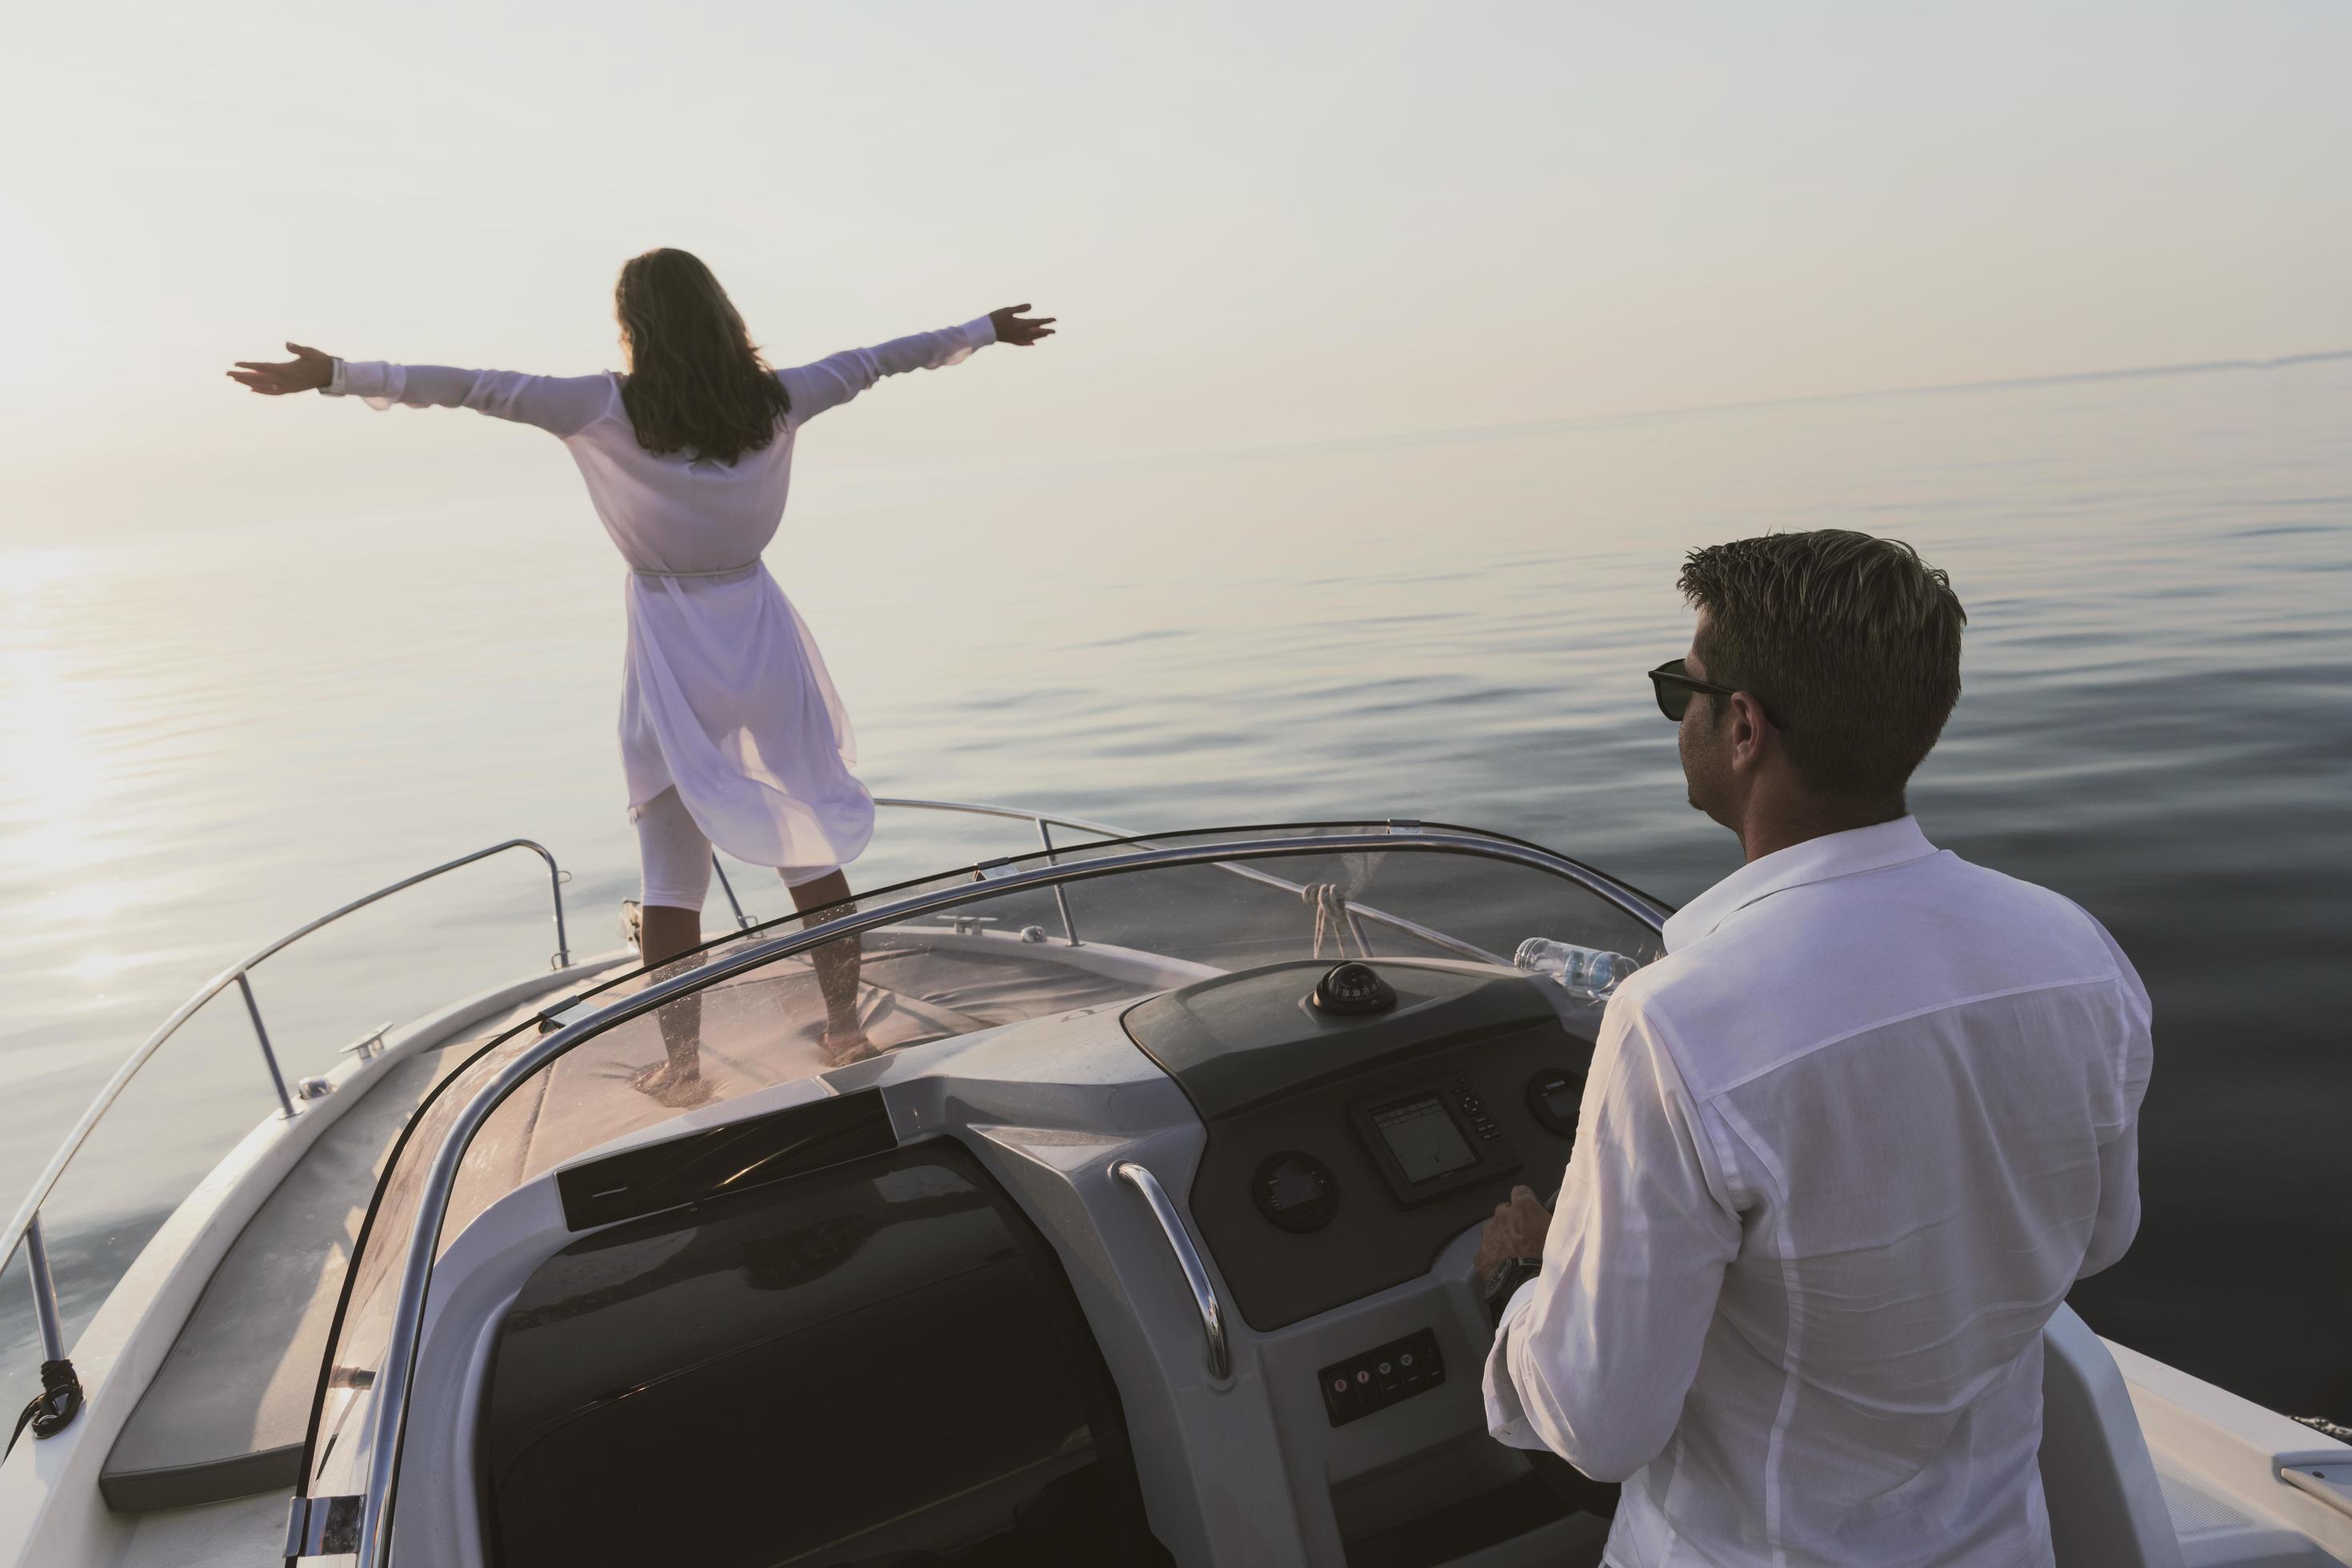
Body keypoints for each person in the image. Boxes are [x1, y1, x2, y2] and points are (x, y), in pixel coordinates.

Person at [229, 249, 1054, 1098]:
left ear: (635, 326)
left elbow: (474, 385)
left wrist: (335, 373)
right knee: (805, 842)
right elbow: (882, 358)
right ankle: (845, 1026)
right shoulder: (779, 398)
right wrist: (986, 329)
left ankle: (686, 1065)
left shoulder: (602, 404)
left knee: (670, 872)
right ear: (721, 314)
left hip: (670, 648)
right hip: (763, 638)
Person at [1476, 530, 2152, 1566]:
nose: (1680, 717)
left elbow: (1602, 1425)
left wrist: (1525, 1283)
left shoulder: (1678, 1024)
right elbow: (2099, 1238)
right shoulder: (2075, 954)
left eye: (1681, 689)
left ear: (1742, 727)